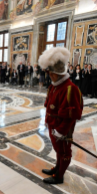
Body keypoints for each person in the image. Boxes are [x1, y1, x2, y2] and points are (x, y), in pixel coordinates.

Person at [39, 47, 83, 184]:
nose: (49, 76)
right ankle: (57, 168)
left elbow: (71, 115)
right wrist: (48, 122)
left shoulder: (70, 88)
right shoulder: (54, 86)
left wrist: (61, 131)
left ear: (57, 74)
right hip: (54, 126)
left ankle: (59, 176)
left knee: (64, 152)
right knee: (58, 149)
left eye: (50, 73)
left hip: (62, 128)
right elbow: (49, 106)